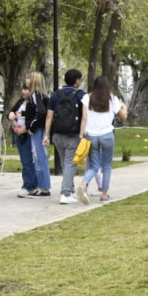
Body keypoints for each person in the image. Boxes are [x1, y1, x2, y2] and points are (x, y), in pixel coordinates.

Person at [78, 75, 128, 204]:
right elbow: (124, 117)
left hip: (91, 135)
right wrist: (123, 106)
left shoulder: (87, 98)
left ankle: (84, 184)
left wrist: (81, 134)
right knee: (106, 166)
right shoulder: (112, 99)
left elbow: (84, 118)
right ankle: (104, 194)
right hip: (107, 134)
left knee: (94, 166)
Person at [44, 69, 85, 203]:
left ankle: (70, 190)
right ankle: (65, 193)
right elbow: (85, 116)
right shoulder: (81, 95)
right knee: (70, 164)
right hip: (73, 134)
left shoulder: (55, 95)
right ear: (77, 81)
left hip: (57, 134)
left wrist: (47, 135)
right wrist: (82, 134)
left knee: (64, 162)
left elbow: (49, 116)